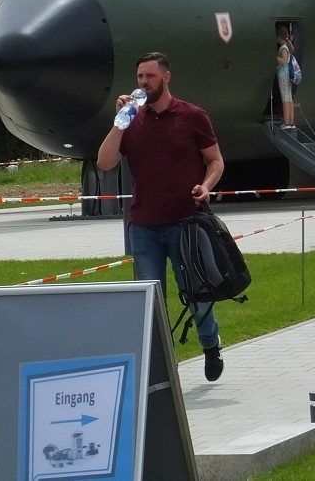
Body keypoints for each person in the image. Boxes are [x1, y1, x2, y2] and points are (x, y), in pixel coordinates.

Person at [96, 52, 226, 381]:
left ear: (166, 77)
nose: (143, 82)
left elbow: (215, 161)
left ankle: (210, 343)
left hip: (185, 223)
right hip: (144, 226)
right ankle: (164, 369)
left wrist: (206, 186)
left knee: (196, 295)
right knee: (149, 301)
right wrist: (119, 123)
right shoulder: (131, 121)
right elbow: (105, 162)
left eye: (150, 76)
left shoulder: (193, 116)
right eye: (140, 77)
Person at [275, 25, 296, 130]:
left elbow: (283, 61)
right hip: (287, 75)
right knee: (289, 98)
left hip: (283, 75)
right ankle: (291, 122)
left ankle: (287, 122)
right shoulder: (287, 47)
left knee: (285, 99)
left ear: (279, 37)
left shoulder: (283, 48)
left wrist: (274, 57)